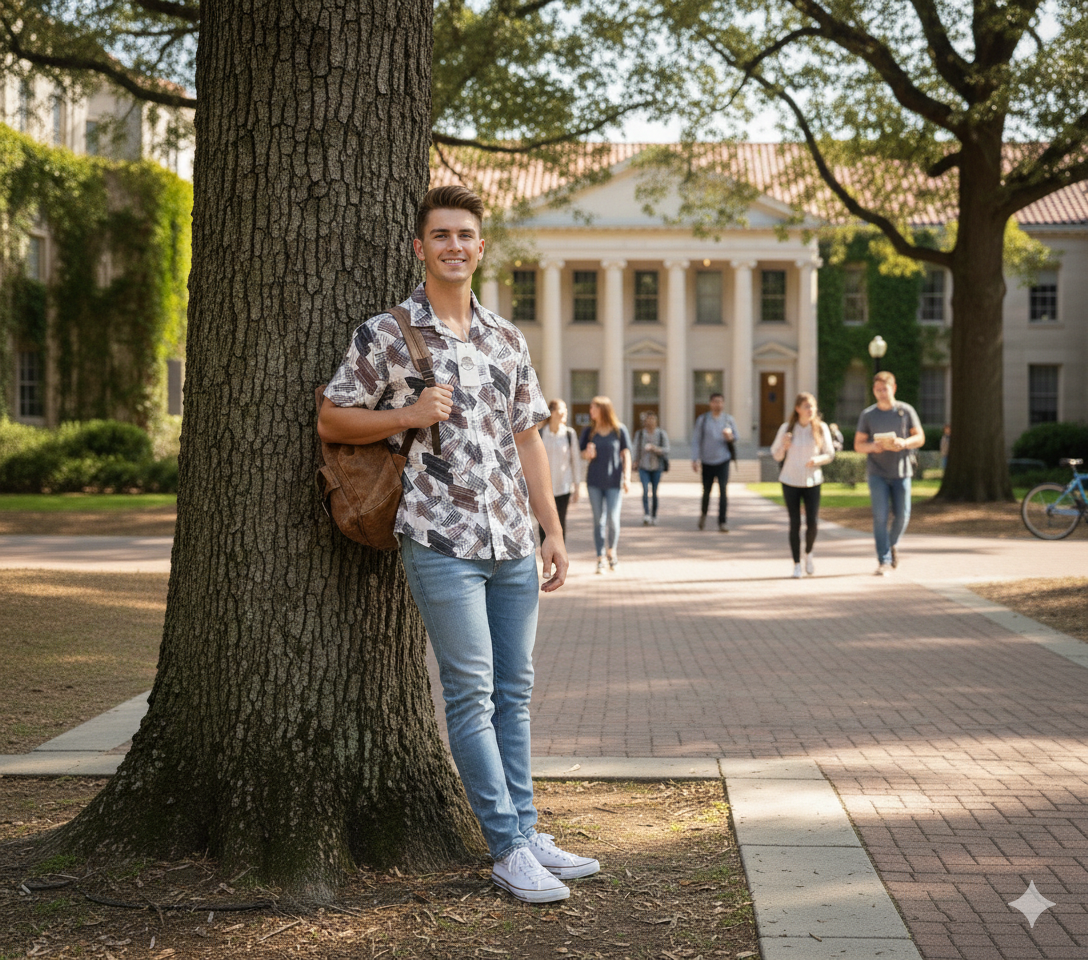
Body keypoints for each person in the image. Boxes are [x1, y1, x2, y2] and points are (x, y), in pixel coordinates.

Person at [318, 185, 597, 904]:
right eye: (440, 234)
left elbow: (529, 438)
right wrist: (405, 414)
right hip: (440, 538)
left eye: (466, 234)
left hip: (511, 540)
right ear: (420, 246)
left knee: (516, 692)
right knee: (470, 692)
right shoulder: (388, 333)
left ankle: (529, 831)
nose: (454, 245)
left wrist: (554, 531)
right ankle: (506, 849)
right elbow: (330, 419)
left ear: (481, 246)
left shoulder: (506, 338)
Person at [854, 371, 925, 576]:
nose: (881, 393)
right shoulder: (868, 415)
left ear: (893, 388)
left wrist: (904, 443)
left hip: (902, 472)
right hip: (877, 473)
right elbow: (858, 445)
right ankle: (884, 560)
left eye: (884, 389)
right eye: (877, 390)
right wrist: (873, 447)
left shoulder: (906, 411)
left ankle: (891, 544)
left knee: (903, 515)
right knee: (880, 517)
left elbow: (920, 438)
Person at [771, 393, 836, 578]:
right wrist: (784, 446)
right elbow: (776, 455)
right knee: (794, 523)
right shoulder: (787, 428)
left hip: (812, 480)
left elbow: (830, 454)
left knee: (812, 523)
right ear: (798, 408)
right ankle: (796, 564)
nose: (810, 410)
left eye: (813, 407)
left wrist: (817, 459)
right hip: (790, 480)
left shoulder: (821, 428)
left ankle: (808, 553)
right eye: (807, 406)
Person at [580, 396, 631, 573]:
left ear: (603, 409)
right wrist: (588, 454)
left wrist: (627, 477)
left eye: (593, 408)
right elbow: (582, 455)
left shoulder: (619, 430)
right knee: (598, 520)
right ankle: (600, 557)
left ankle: (612, 551)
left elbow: (626, 453)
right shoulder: (589, 431)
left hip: (614, 482)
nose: (590, 411)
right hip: (594, 481)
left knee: (613, 519)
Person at [691, 393, 737, 532]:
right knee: (706, 491)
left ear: (723, 403)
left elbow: (736, 437)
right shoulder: (703, 420)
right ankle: (703, 515)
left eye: (720, 402)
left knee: (723, 491)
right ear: (710, 403)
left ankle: (722, 522)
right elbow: (696, 440)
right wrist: (695, 459)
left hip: (723, 460)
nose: (718, 404)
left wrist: (730, 436)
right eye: (715, 402)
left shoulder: (728, 420)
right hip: (707, 461)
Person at [539, 399, 580, 543]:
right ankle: (546, 557)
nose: (565, 413)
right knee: (544, 523)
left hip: (564, 486)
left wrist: (577, 486)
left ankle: (560, 558)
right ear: (552, 412)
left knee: (560, 523)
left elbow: (575, 460)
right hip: (544, 488)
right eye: (563, 409)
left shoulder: (569, 434)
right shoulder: (541, 433)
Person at [632, 412, 669, 525]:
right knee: (645, 490)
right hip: (643, 466)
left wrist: (655, 449)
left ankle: (654, 514)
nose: (650, 422)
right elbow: (635, 448)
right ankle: (646, 514)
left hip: (657, 467)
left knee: (654, 491)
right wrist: (634, 461)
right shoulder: (640, 434)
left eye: (652, 419)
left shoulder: (661, 434)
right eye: (648, 419)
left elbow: (667, 449)